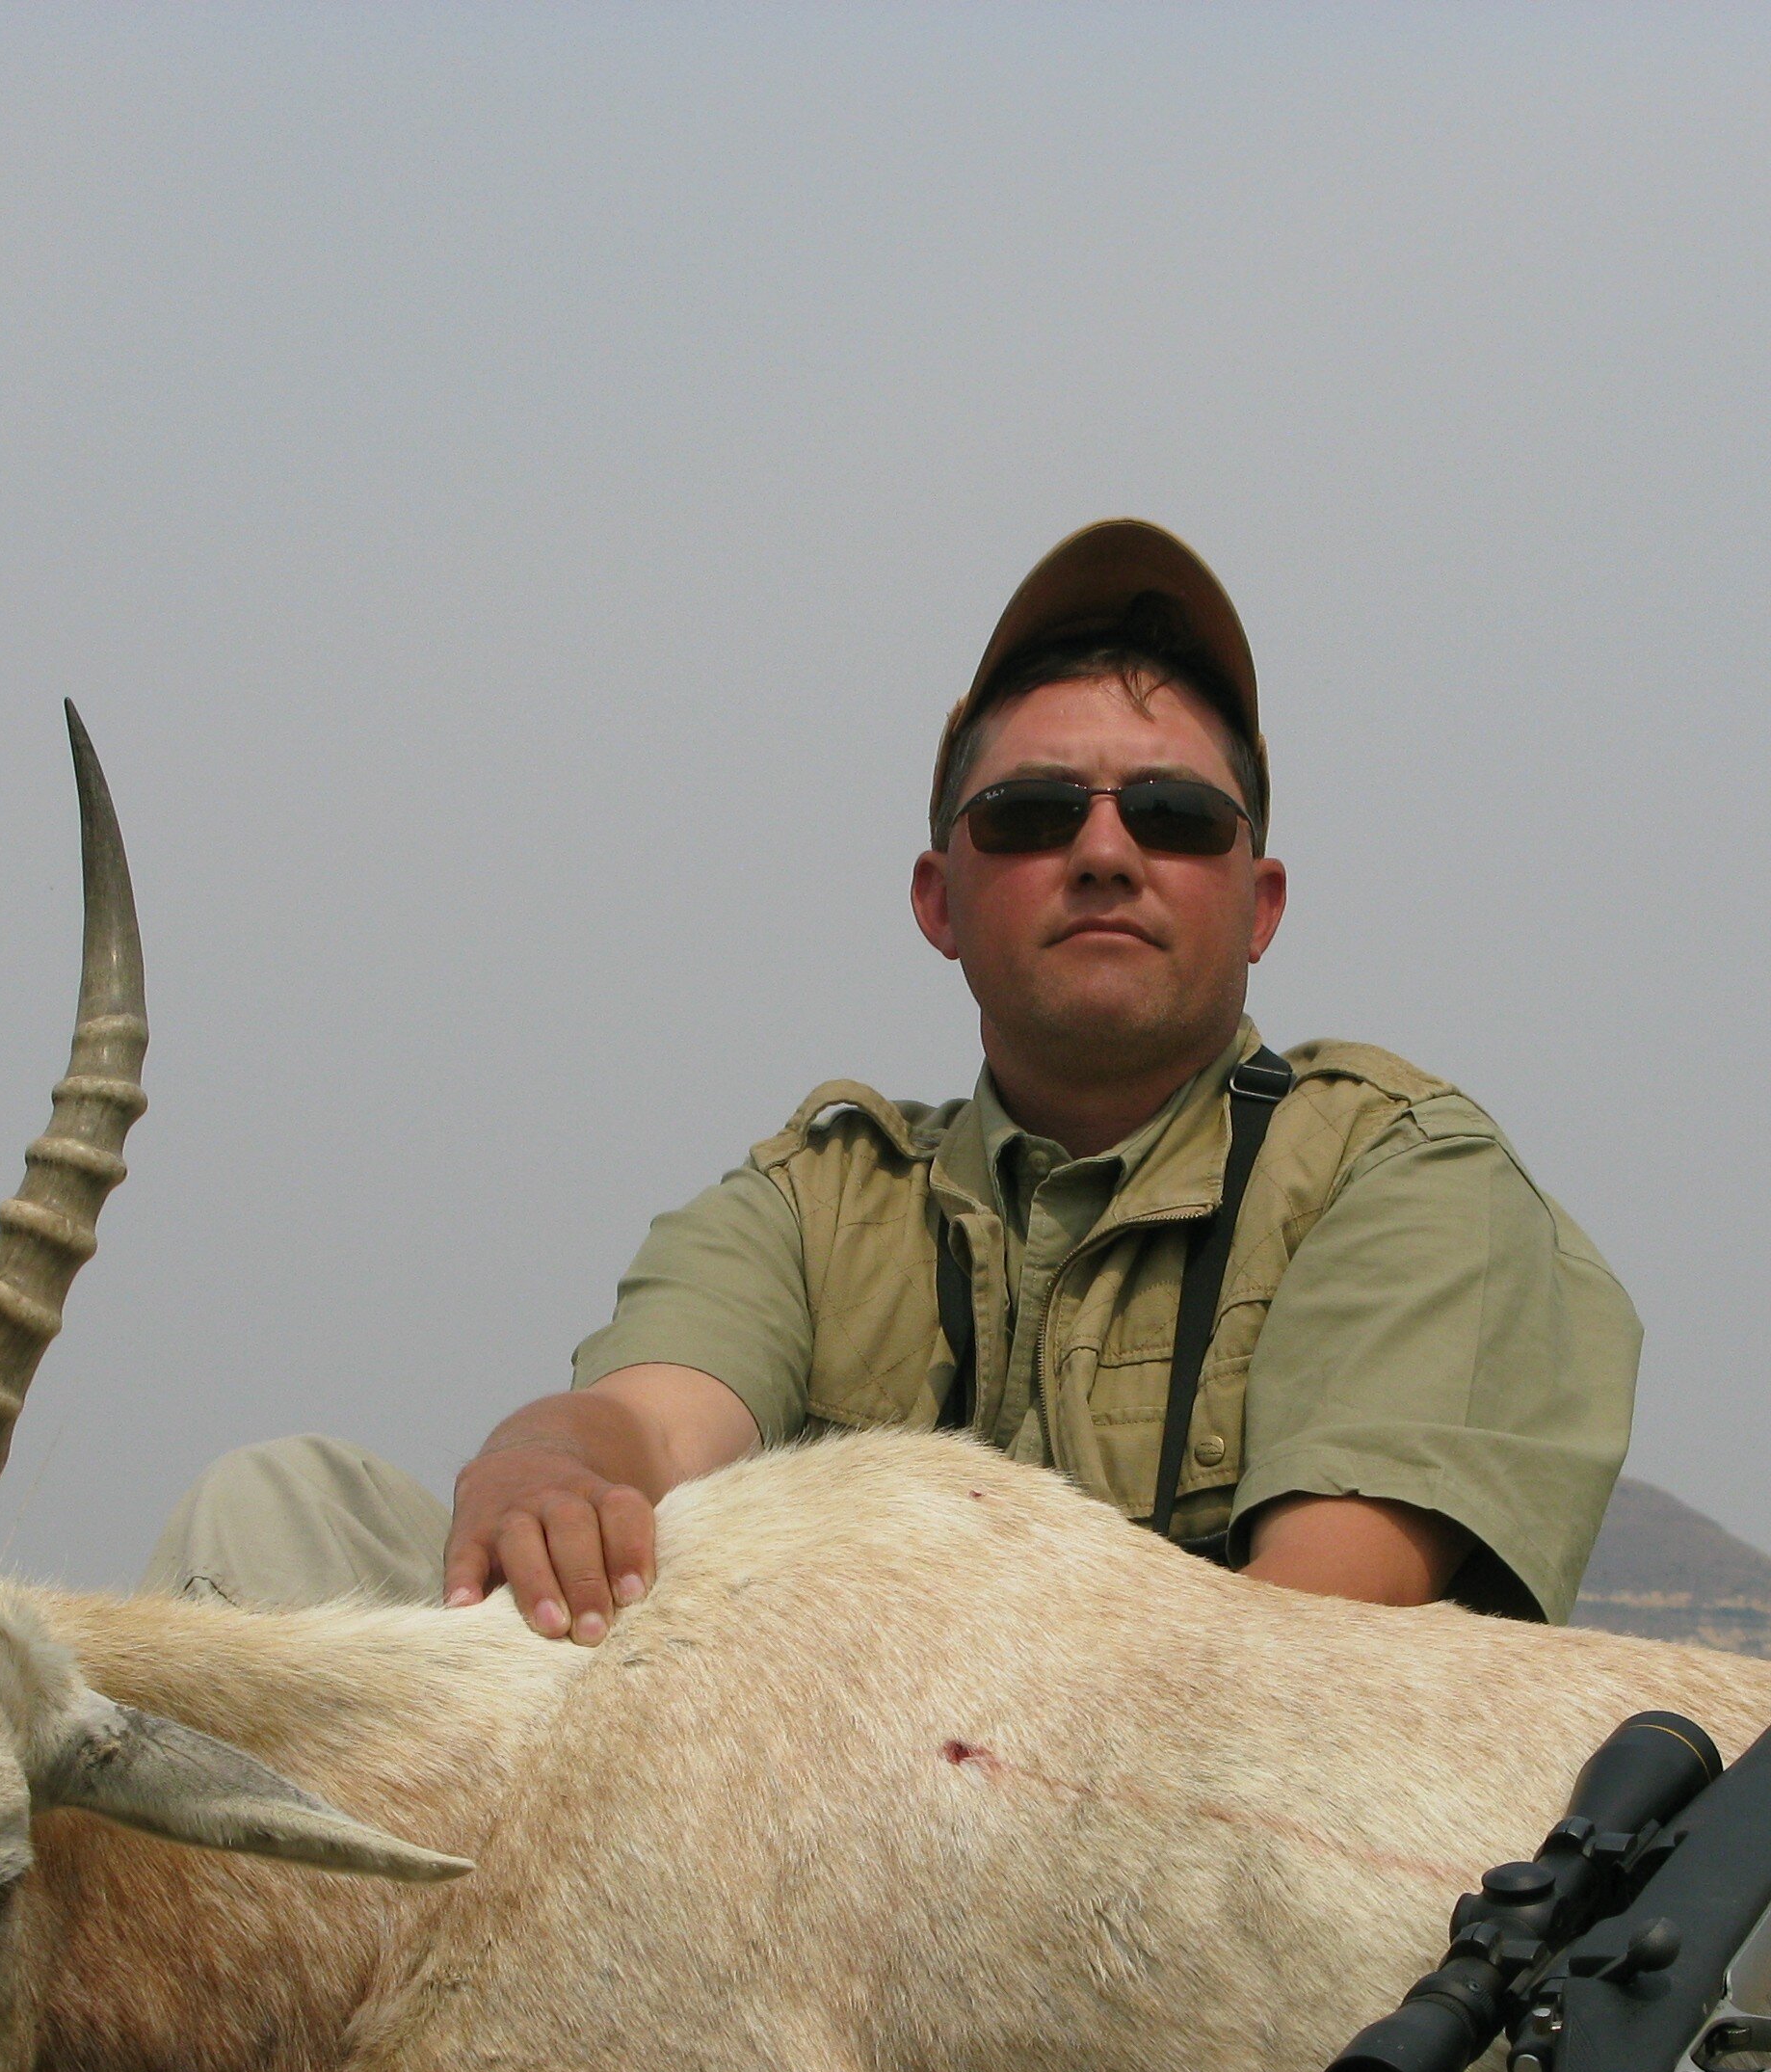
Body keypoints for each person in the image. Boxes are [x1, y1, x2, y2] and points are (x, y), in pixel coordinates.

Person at [149, 518, 1641, 1634]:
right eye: (1035, 812)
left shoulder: (1396, 1167)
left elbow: (1314, 1638)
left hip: (1189, 1905)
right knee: (277, 1511)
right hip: (781, 1844)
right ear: (940, 898)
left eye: (1178, 816)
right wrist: (540, 1470)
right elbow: (651, 1427)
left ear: (1260, 907)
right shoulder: (822, 1198)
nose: (1106, 851)